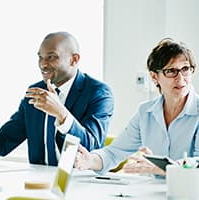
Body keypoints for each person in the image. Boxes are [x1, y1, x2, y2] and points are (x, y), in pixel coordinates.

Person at [0, 31, 114, 166]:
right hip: (39, 185)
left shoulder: (98, 92)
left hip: (80, 185)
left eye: (51, 57)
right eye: (40, 57)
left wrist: (62, 114)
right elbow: (0, 146)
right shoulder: (35, 92)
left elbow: (92, 150)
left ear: (74, 59)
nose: (43, 64)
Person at [75, 38, 199, 176]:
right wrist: (89, 160)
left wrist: (162, 168)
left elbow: (196, 163)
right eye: (171, 71)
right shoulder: (145, 112)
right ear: (154, 77)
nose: (180, 78)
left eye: (185, 69)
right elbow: (114, 152)